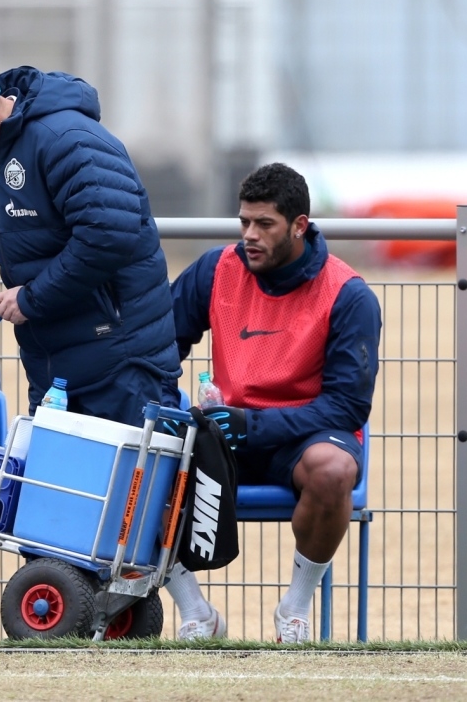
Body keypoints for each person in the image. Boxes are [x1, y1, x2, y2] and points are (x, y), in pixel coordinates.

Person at [163, 163, 382, 643]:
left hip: (303, 439)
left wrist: (252, 427)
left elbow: (347, 408)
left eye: (265, 224)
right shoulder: (215, 268)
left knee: (334, 471)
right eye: (244, 222)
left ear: (299, 225)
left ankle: (294, 610)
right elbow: (158, 347)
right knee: (142, 451)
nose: (250, 236)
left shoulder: (349, 294)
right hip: (225, 432)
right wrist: (170, 410)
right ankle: (197, 613)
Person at [0, 49, 179, 428]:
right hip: (51, 373)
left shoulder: (67, 139)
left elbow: (108, 234)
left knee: (129, 488)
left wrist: (32, 299)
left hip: (122, 366)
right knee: (56, 488)